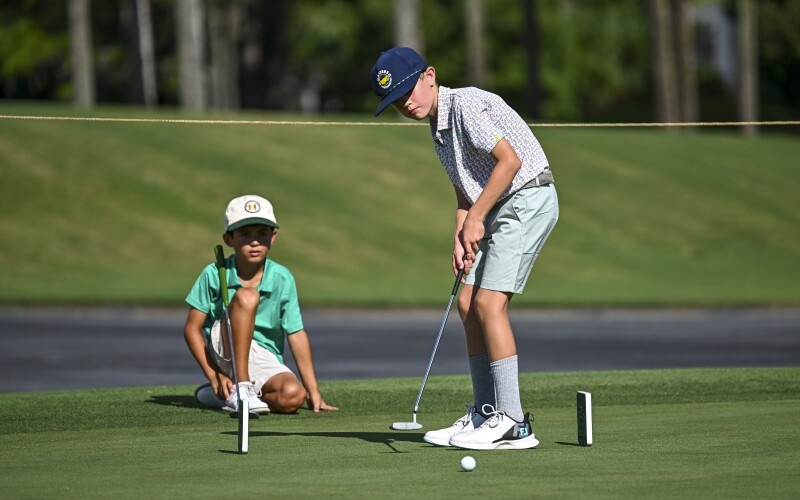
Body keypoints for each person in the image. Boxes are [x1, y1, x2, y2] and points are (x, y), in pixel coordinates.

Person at [370, 48, 558, 450]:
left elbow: (509, 162)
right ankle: (485, 412)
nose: (406, 105)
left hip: (527, 197)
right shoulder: (437, 129)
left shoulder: (466, 105)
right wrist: (461, 234)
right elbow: (464, 191)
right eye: (396, 102)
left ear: (429, 75)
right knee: (467, 302)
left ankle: (513, 423)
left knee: (489, 304)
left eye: (407, 92)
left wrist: (475, 219)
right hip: (496, 206)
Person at [184, 194, 338, 415]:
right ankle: (241, 388)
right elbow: (191, 329)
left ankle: (224, 396)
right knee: (248, 296)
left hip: (264, 355)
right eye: (245, 234)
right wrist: (213, 375)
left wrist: (313, 390)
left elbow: (295, 333)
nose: (254, 241)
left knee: (293, 396)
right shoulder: (213, 273)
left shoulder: (283, 277)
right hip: (225, 346)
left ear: (273, 237)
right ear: (229, 239)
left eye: (262, 233)